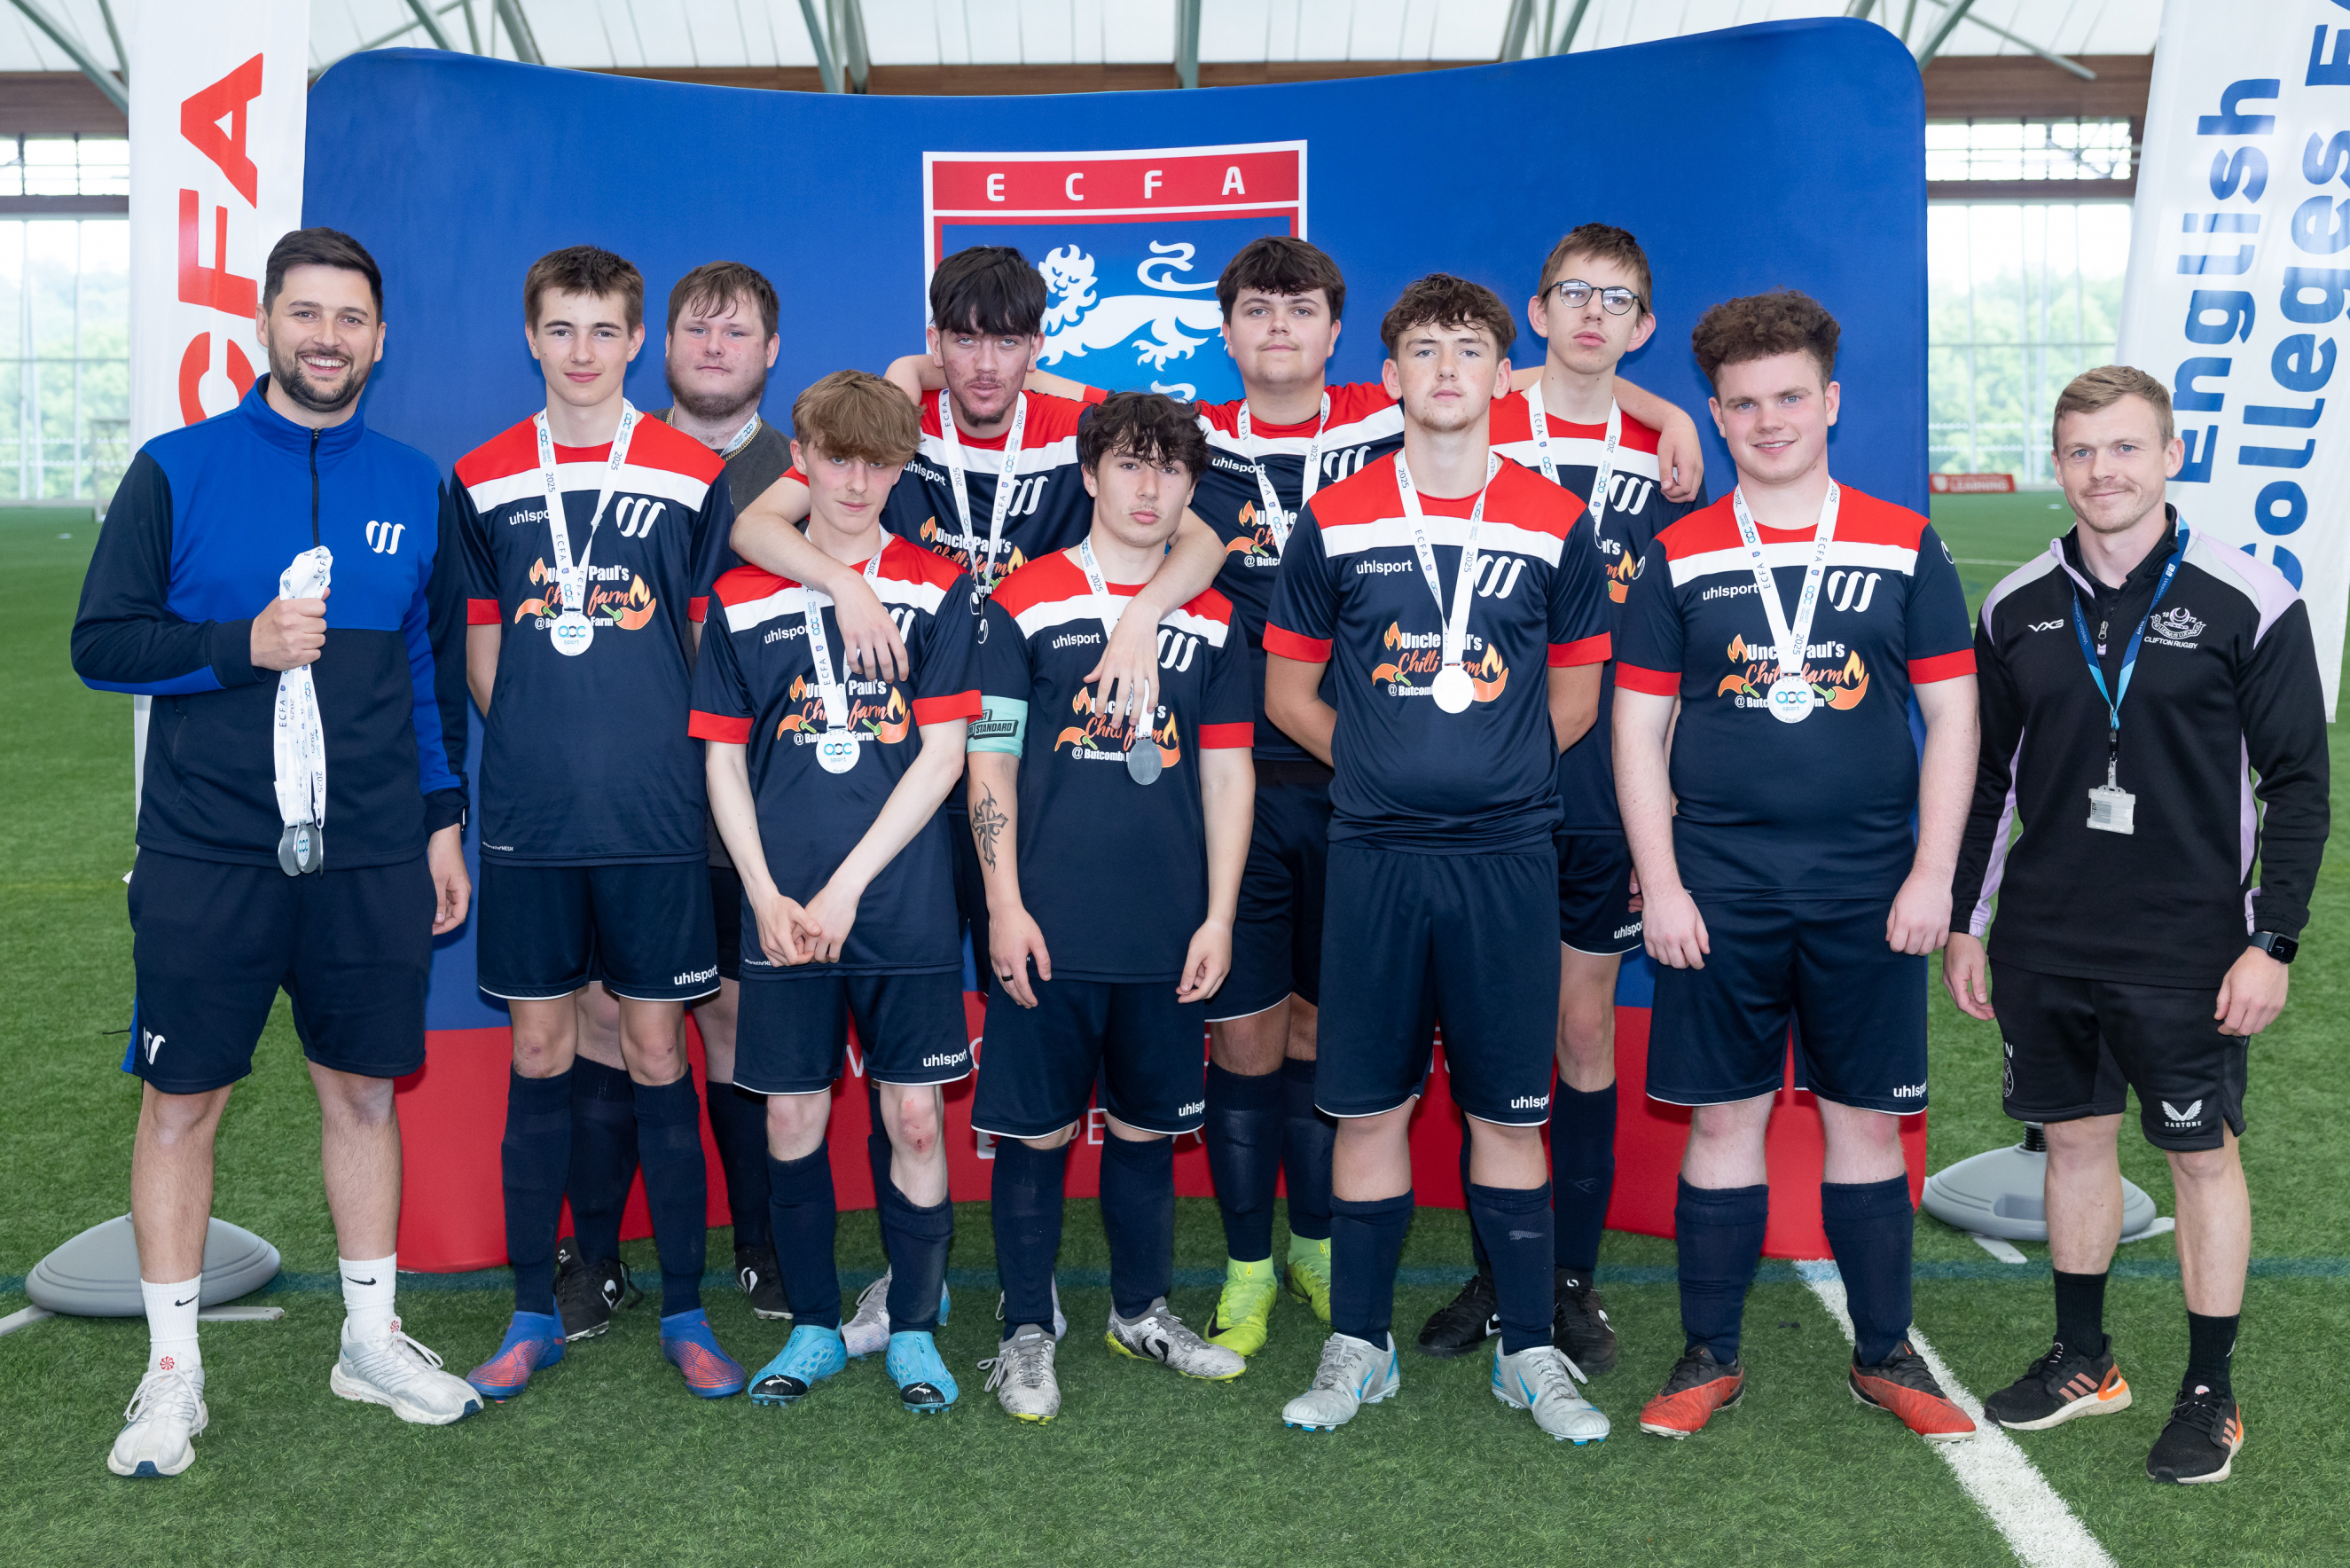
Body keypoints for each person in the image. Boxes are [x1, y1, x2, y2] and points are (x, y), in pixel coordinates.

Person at [1000, 235, 1704, 1360]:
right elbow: (1009, 381)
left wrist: (1673, 414)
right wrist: (907, 373)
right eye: (1255, 311)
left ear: (1340, 336)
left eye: (1303, 310)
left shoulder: (1400, 420)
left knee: (1340, 1045)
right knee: (1241, 1036)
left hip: (1381, 800)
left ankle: (1330, 1246)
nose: (1278, 328)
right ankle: (1245, 1264)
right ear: (1222, 332)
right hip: (1230, 773)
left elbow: (1569, 364)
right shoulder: (1181, 441)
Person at [728, 245, 1209, 1346]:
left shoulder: (1084, 417)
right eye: (964, 340)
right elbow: (761, 524)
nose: (986, 365)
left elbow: (1197, 527)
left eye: (1008, 340)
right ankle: (913, 1286)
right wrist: (845, 578)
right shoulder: (897, 408)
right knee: (881, 1036)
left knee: (974, 1027)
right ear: (935, 340)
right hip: (901, 752)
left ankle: (1020, 1292)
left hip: (1018, 755)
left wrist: (1139, 619)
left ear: (1038, 346)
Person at [72, 227, 482, 1477]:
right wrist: (236, 644)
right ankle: (171, 1374)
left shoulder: (416, 483)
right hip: (208, 850)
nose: (326, 337)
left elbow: (424, 673)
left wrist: (438, 816)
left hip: (366, 852)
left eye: (349, 318)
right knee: (183, 1100)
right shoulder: (176, 470)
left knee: (361, 1087)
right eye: (304, 314)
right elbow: (103, 643)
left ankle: (368, 1339)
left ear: (379, 337)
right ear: (264, 324)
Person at [1946, 365, 2328, 1485]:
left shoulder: (2245, 596)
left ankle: (2209, 1391)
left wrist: (2274, 941)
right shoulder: (2014, 604)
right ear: (2056, 464)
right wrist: (1970, 922)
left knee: (2199, 1155)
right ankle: (2083, 1357)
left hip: (2190, 946)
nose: (2100, 472)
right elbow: (1984, 784)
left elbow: (2296, 783)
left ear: (2168, 455)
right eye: (2078, 451)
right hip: (2045, 937)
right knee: (2073, 1143)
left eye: (2122, 448)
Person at [1611, 289, 1978, 1443]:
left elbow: (1953, 720)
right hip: (1715, 885)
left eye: (1788, 398)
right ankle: (1706, 1355)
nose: (1767, 421)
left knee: (1866, 1122)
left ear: (1830, 401)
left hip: (1869, 882)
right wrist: (1661, 883)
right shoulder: (1675, 556)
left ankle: (1884, 1354)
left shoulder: (1901, 539)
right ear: (1715, 418)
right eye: (1742, 405)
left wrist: (1932, 875)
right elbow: (1634, 734)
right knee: (1724, 1122)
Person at [1264, 275, 1612, 1442]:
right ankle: (1356, 1350)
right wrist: (1374, 763)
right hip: (1370, 857)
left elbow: (1573, 693)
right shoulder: (1338, 516)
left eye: (1469, 348)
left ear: (1503, 377)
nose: (1448, 367)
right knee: (1365, 1109)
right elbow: (1286, 691)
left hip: (1508, 859)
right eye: (1423, 350)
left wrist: (1492, 764)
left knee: (1510, 1114)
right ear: (1394, 377)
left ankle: (1527, 1354)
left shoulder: (1556, 520)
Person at [450, 245, 743, 1400]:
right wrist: (542, 738)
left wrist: (629, 746)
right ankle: (531, 1312)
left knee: (660, 1046)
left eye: (603, 331)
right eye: (560, 330)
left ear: (637, 343)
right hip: (528, 821)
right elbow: (482, 653)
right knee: (538, 1049)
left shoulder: (685, 472)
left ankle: (684, 1308)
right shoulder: (479, 476)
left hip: (655, 820)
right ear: (532, 336)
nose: (581, 352)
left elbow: (703, 645)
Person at [1418, 223, 1710, 1373]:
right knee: (1493, 1037)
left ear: (1639, 327)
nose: (1592, 314)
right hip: (1479, 765)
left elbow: (1677, 639)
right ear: (1533, 314)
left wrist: (1663, 810)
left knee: (1581, 1028)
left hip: (1598, 785)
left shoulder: (1665, 458)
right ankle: (1497, 1272)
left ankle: (1568, 1277)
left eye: (1618, 301)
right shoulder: (1474, 414)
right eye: (1571, 295)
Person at [691, 370, 982, 1413]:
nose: (856, 482)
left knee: (913, 1119)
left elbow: (944, 754)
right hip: (781, 910)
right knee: (791, 1121)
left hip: (895, 903)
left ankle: (912, 1328)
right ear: (800, 458)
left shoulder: (938, 587)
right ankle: (814, 1325)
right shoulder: (739, 597)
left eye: (879, 461)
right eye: (837, 459)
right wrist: (766, 894)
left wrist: (852, 883)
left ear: (902, 466)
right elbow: (723, 764)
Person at [966, 391, 1256, 1422]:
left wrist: (1219, 915)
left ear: (1190, 486)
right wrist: (1002, 903)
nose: (1149, 486)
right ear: (1088, 476)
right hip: (1046, 926)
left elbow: (1228, 777)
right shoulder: (1024, 600)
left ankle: (1140, 1310)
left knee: (1145, 1132)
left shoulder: (1215, 616)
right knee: (1037, 1138)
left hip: (1167, 931)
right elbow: (988, 767)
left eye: (1170, 470)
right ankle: (1023, 1333)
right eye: (1129, 465)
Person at [556, 260, 795, 1338]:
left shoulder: (811, 468)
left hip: (755, 807)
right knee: (610, 1019)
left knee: (739, 1017)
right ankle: (598, 1256)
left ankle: (761, 1243)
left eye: (735, 333)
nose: (713, 347)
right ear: (664, 348)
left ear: (769, 353)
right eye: (696, 330)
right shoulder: (617, 456)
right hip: (632, 804)